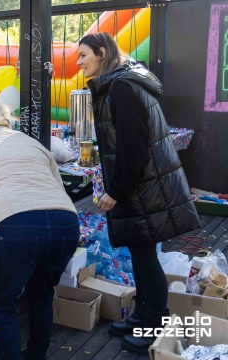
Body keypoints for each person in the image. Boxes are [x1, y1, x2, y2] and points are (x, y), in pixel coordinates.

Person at [77, 33, 199, 354]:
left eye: (83, 55)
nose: (79, 62)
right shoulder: (124, 81)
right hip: (145, 185)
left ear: (101, 53)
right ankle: (144, 316)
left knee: (145, 257)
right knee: (141, 255)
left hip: (143, 188)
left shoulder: (122, 87)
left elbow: (134, 146)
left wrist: (116, 191)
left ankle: (156, 323)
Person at [0, 100, 79, 360]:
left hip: (15, 227)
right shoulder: (33, 144)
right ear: (8, 122)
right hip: (65, 223)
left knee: (3, 304)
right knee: (42, 295)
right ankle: (36, 356)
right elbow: (58, 186)